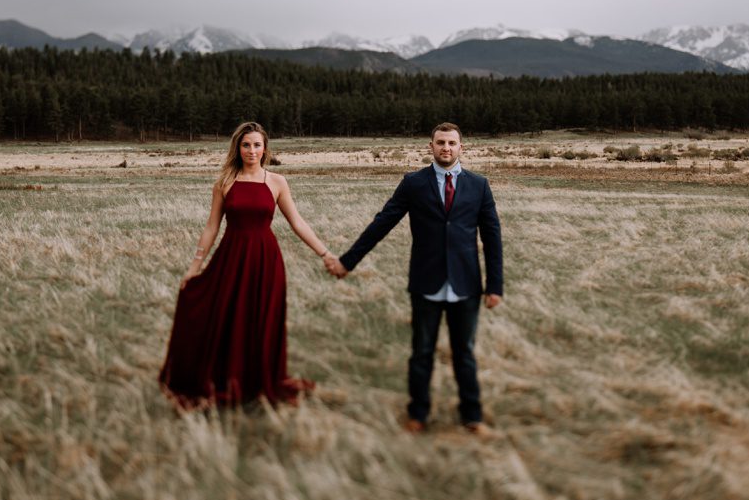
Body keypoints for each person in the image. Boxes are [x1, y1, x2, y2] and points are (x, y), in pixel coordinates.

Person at [324, 123, 503, 435]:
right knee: (421, 353)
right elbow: (383, 223)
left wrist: (495, 286)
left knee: (465, 354)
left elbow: (493, 237)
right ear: (430, 146)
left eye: (452, 143)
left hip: (466, 285)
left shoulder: (479, 185)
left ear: (462, 147)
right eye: (440, 143)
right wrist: (348, 262)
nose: (446, 148)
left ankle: (471, 416)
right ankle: (417, 414)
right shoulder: (413, 184)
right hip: (426, 282)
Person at [159, 121, 337, 408]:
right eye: (246, 145)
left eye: (256, 144)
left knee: (262, 321)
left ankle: (257, 383)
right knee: (226, 317)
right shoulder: (225, 183)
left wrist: (325, 253)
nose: (251, 150)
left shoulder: (277, 182)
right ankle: (227, 380)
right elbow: (211, 227)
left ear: (265, 148)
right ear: (237, 148)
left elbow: (297, 222)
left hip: (266, 260)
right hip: (231, 257)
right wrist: (195, 266)